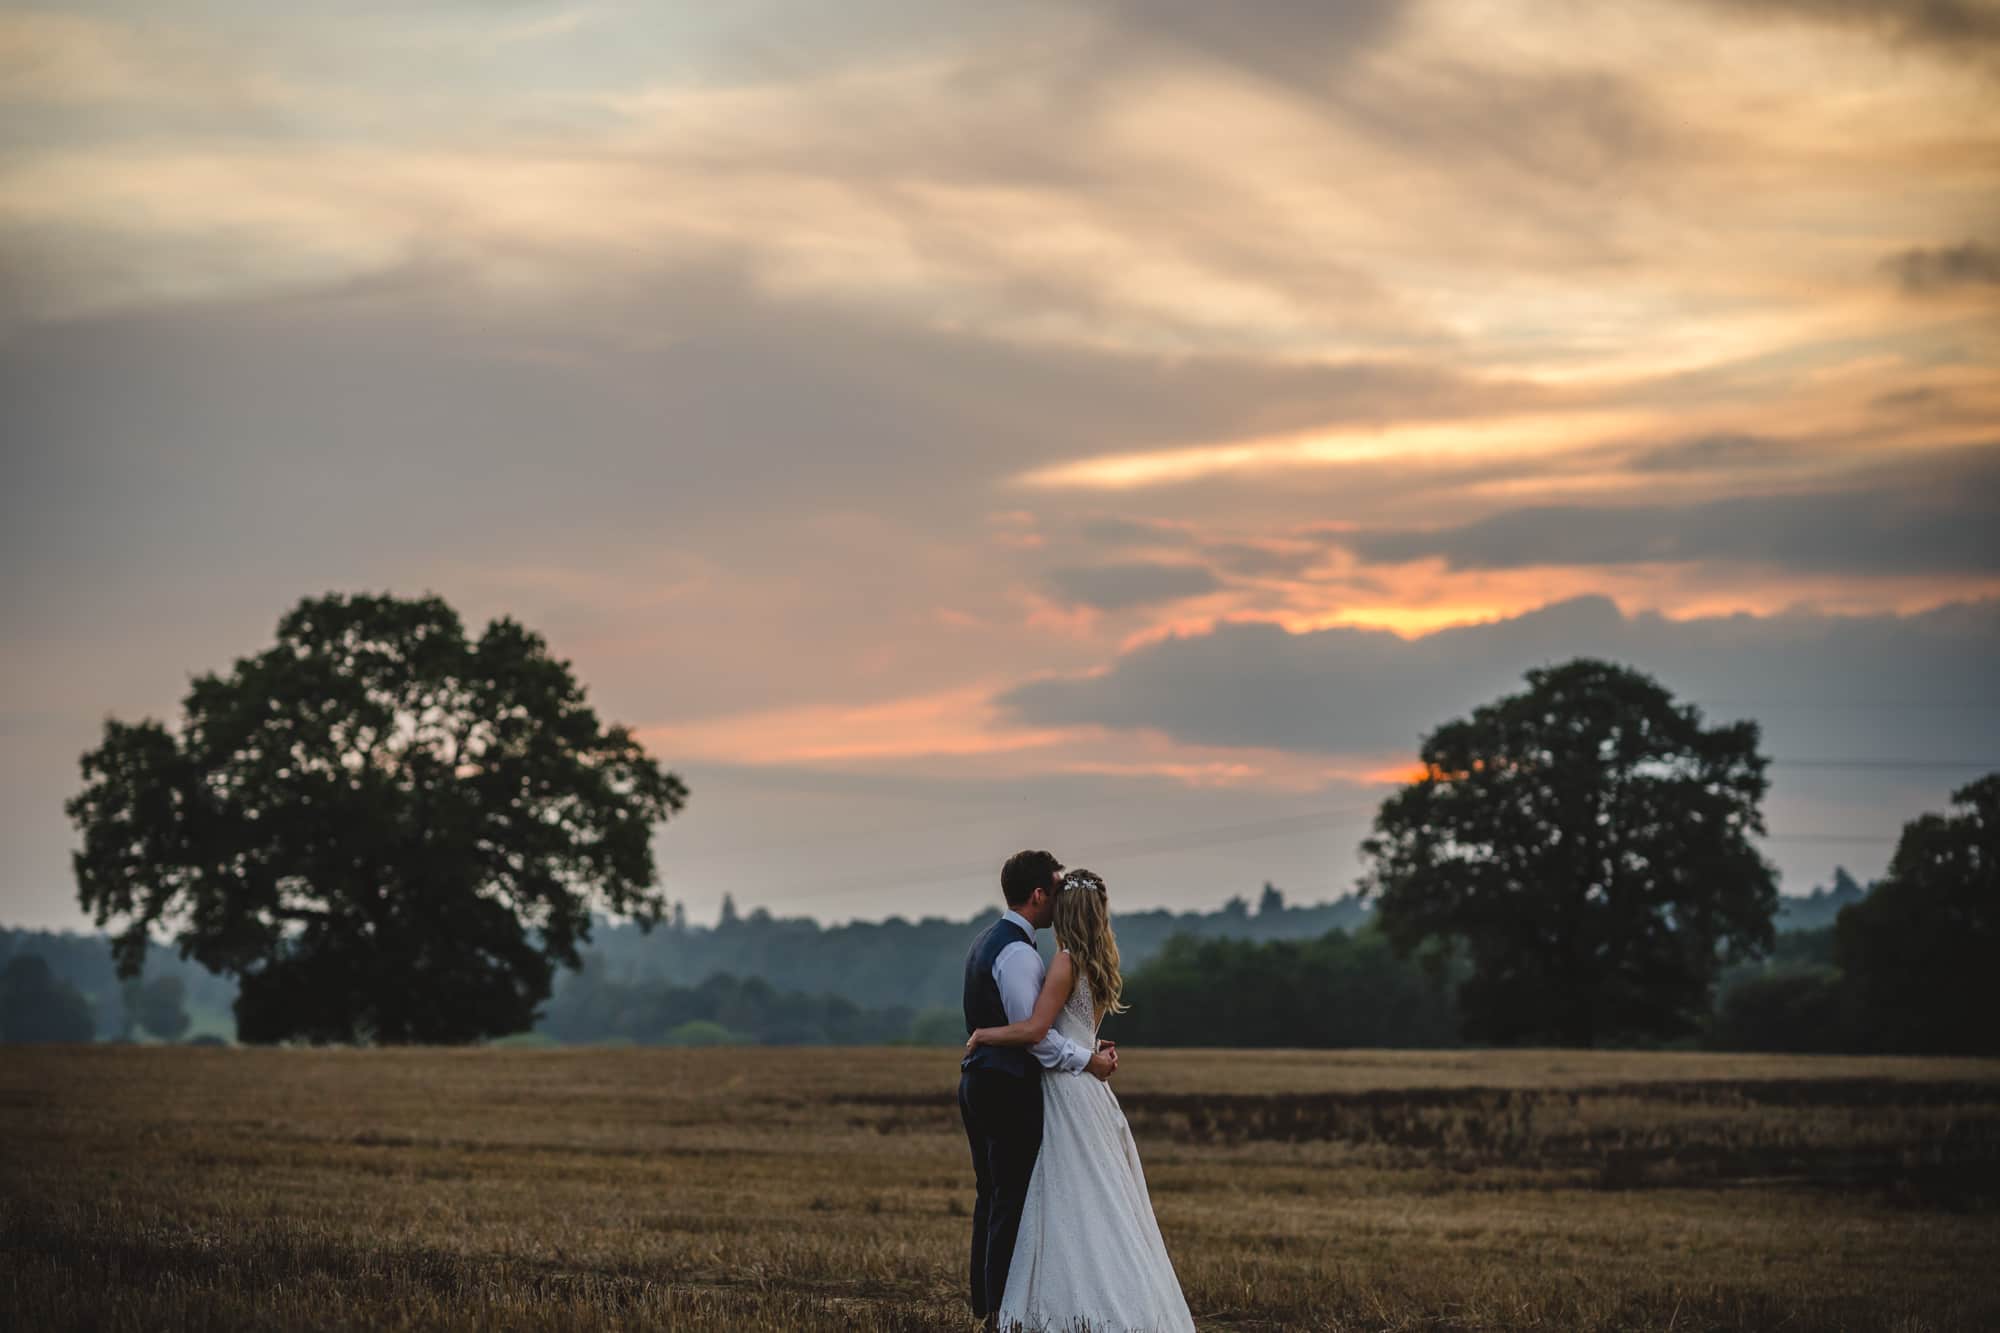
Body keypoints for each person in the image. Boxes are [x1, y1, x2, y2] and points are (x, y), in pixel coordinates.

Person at [966, 867, 1196, 1333]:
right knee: (1100, 1194)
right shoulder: (1098, 962)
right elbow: (1077, 1030)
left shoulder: (1064, 962)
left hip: (1066, 1087)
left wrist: (983, 1033)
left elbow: (1035, 1032)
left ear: (1066, 909)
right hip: (1091, 1090)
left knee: (1064, 1191)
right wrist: (1091, 1054)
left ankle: (1049, 1302)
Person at [958, 850, 1119, 1327]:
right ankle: (998, 1310)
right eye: (1055, 889)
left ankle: (990, 1305)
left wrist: (1082, 1048)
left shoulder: (989, 941)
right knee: (1009, 1200)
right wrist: (1086, 1058)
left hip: (982, 1080)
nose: (1059, 900)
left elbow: (1036, 1032)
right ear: (1038, 895)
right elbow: (1037, 1038)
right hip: (1004, 1086)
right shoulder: (1018, 954)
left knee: (994, 1198)